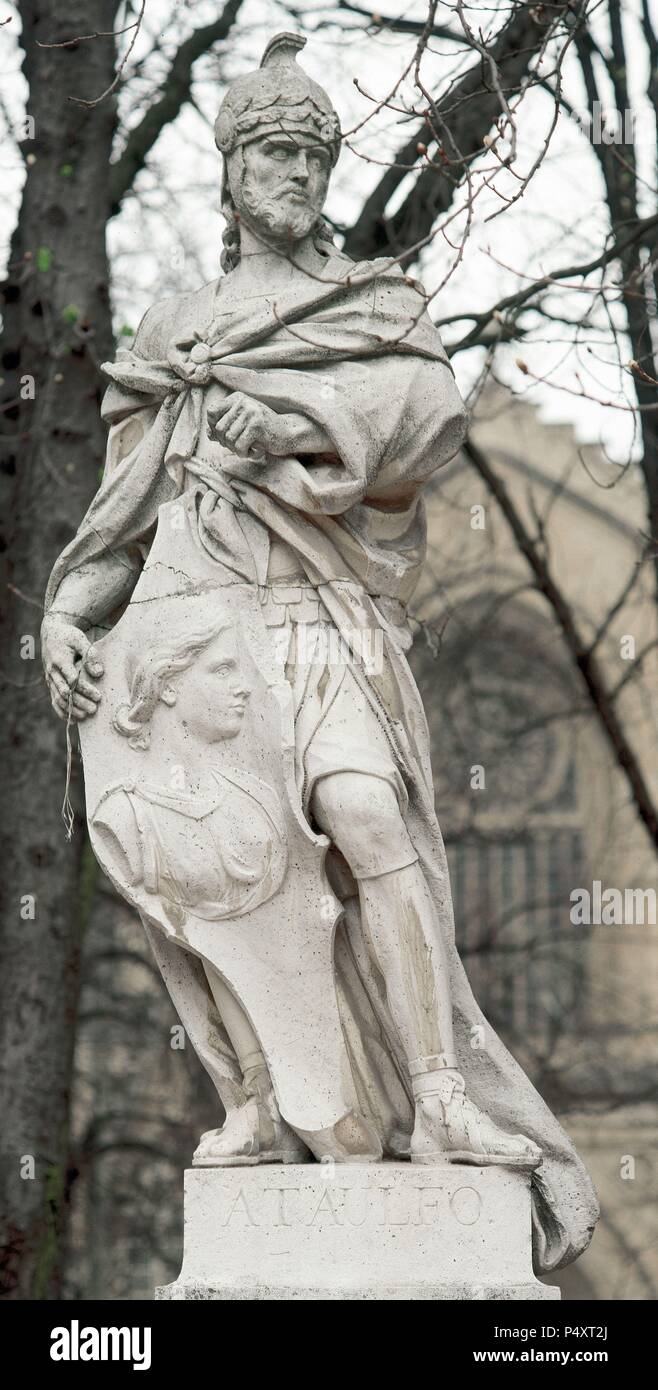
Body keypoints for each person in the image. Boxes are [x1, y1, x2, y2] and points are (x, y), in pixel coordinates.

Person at [42, 33, 598, 1269]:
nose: (295, 173)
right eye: (274, 153)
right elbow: (119, 514)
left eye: (310, 154)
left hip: (311, 623)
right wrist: (64, 619)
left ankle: (442, 1090)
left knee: (368, 815)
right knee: (191, 874)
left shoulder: (365, 306)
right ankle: (255, 1092)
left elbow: (419, 419)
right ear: (232, 174)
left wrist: (287, 414)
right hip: (192, 656)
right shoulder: (174, 330)